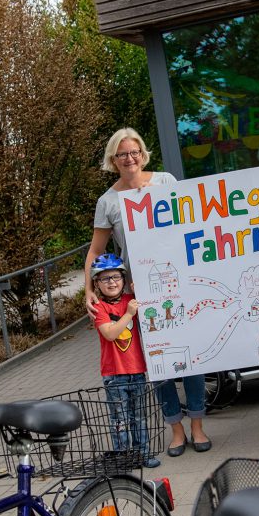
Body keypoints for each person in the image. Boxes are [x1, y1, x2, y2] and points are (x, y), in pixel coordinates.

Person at [85, 128, 211, 457]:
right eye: (122, 154)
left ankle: (198, 426)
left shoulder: (166, 182)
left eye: (134, 151)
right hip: (140, 295)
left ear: (143, 153)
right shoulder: (108, 201)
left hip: (179, 285)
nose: (130, 158)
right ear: (113, 160)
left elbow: (192, 223)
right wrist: (88, 289)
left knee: (190, 360)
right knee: (158, 364)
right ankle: (176, 430)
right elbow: (96, 250)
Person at [90, 253, 159, 468]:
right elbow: (110, 333)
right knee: (119, 419)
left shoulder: (131, 300)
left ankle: (143, 454)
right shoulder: (99, 308)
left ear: (124, 279)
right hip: (114, 375)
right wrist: (129, 315)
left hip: (136, 370)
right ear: (97, 284)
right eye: (105, 278)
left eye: (116, 277)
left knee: (139, 416)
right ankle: (124, 458)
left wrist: (142, 290)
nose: (112, 282)